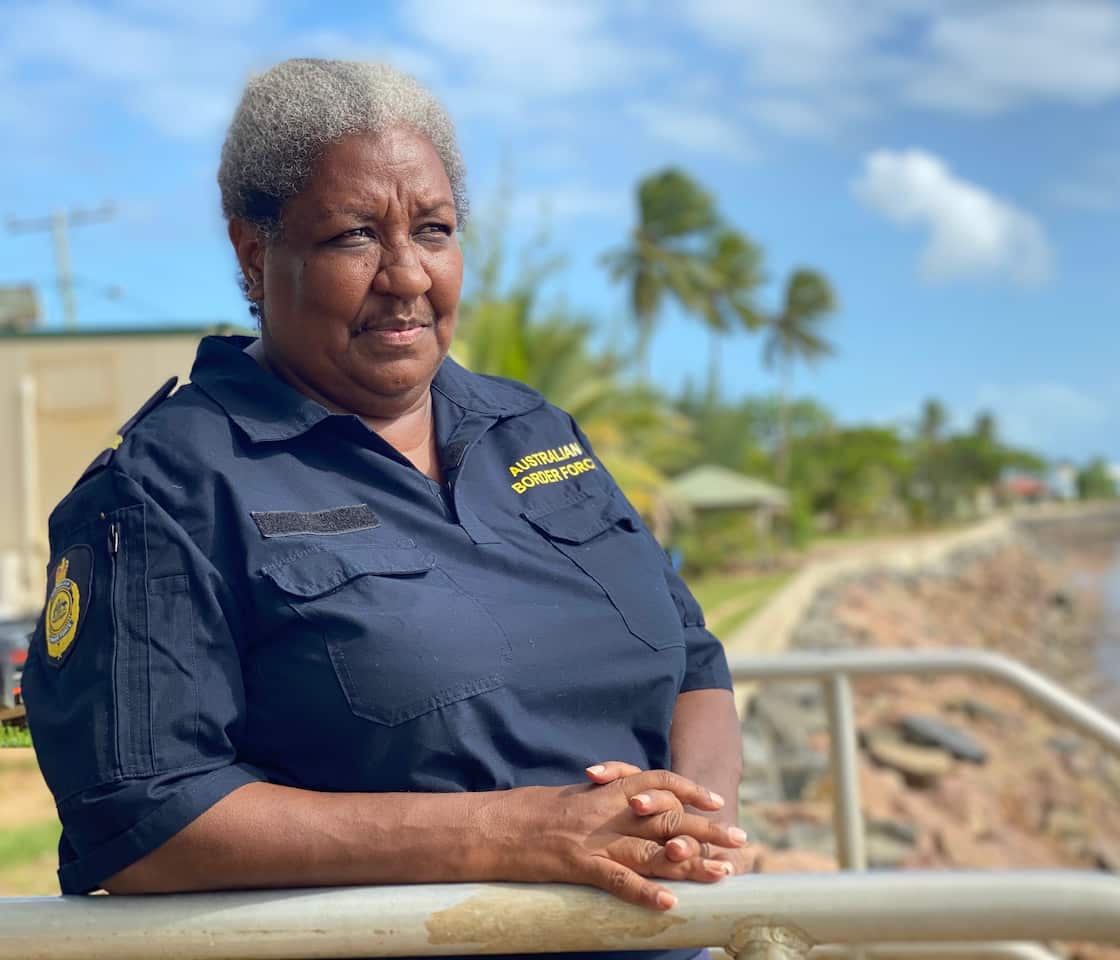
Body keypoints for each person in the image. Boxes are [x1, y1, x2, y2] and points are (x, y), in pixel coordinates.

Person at [22, 58, 745, 958]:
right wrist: (518, 836)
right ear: (255, 251)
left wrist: (697, 829)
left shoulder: (532, 429)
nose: (406, 276)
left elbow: (694, 658)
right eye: (354, 236)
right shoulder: (167, 486)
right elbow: (143, 814)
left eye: (434, 230)